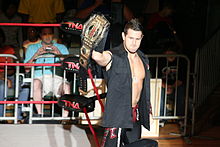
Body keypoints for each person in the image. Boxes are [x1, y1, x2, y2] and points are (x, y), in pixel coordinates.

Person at [91, 19, 152, 146]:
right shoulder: (113, 55)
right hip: (118, 115)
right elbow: (99, 57)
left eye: (137, 39)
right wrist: (98, 40)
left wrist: (148, 110)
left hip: (135, 116)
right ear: (123, 36)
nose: (134, 43)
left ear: (142, 38)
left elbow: (144, 89)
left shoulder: (143, 59)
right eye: (130, 38)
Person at [24, 27, 70, 117]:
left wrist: (58, 52)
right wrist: (36, 54)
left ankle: (65, 118)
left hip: (58, 78)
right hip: (39, 78)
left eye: (50, 34)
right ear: (40, 35)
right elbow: (26, 68)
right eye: (45, 34)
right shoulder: (32, 47)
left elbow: (69, 65)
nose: (48, 36)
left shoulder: (61, 47)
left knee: (66, 87)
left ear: (53, 35)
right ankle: (40, 115)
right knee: (35, 83)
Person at [0, 28, 29, 123]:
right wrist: (3, 77)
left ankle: (18, 117)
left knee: (25, 87)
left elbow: (15, 67)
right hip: (1, 77)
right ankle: (1, 117)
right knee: (2, 86)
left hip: (12, 75)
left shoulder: (10, 49)